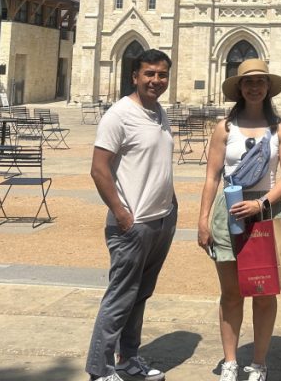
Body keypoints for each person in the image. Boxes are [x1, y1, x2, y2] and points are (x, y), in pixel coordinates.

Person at [197, 59, 281, 381]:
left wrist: (260, 203)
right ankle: (230, 361)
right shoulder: (224, 128)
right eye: (248, 82)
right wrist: (202, 220)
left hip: (266, 213)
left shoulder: (280, 129)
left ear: (268, 87)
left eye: (260, 82)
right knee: (231, 293)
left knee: (265, 292)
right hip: (227, 213)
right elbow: (212, 176)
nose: (254, 87)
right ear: (239, 88)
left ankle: (258, 362)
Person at [85, 48, 177, 381]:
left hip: (161, 219)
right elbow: (98, 169)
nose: (156, 80)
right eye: (149, 74)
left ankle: (128, 359)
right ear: (134, 76)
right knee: (120, 297)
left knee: (140, 295)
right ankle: (100, 368)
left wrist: (170, 205)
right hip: (133, 224)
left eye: (162, 74)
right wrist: (122, 214)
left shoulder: (159, 112)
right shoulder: (119, 114)